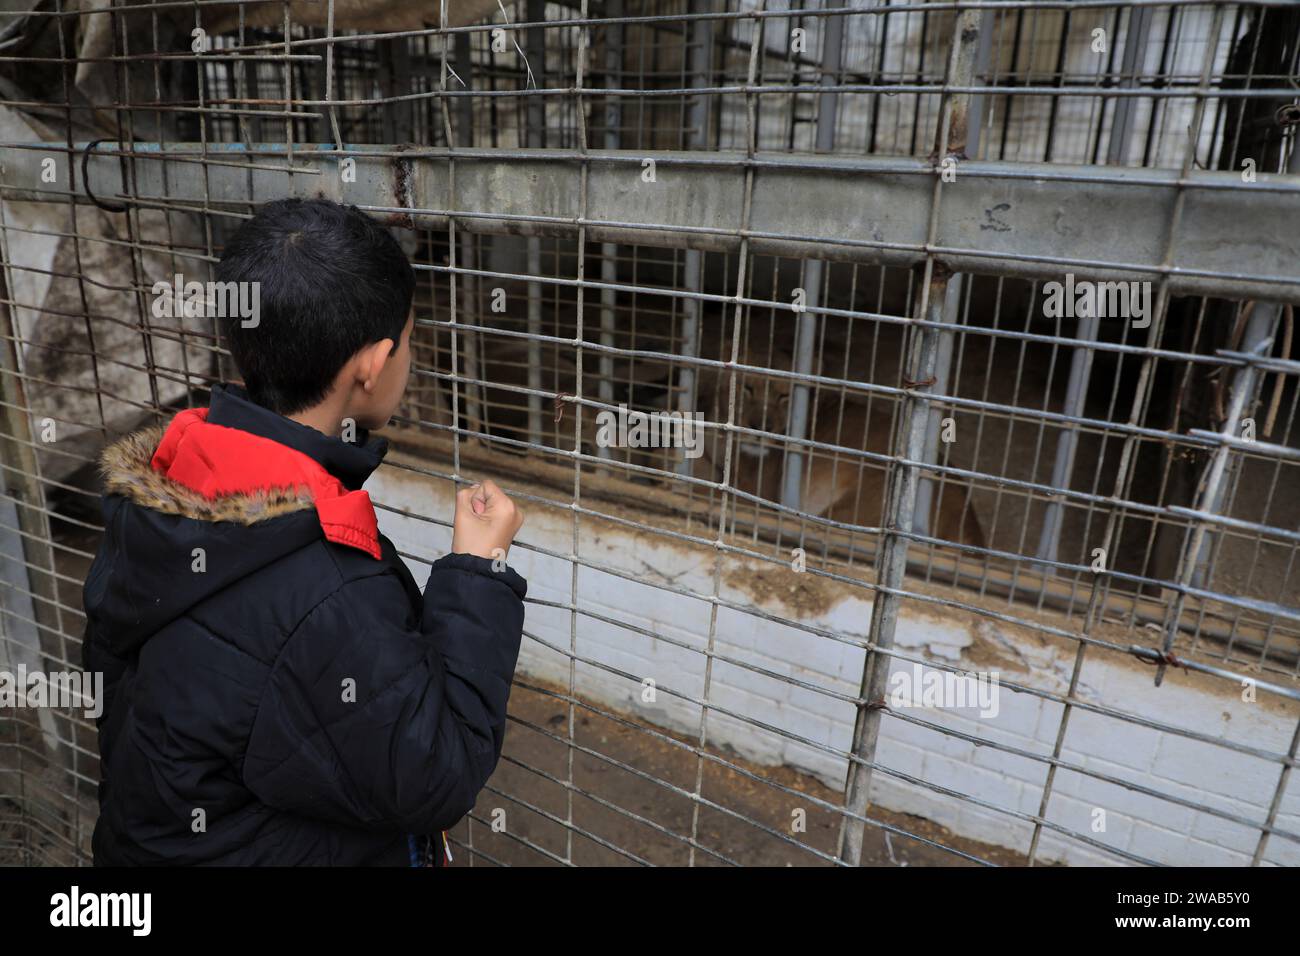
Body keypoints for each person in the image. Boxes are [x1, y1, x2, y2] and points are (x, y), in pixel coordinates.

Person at [82, 198, 526, 865]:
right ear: (372, 365)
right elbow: (437, 773)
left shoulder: (163, 487)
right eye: (407, 340)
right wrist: (477, 573)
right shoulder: (322, 582)